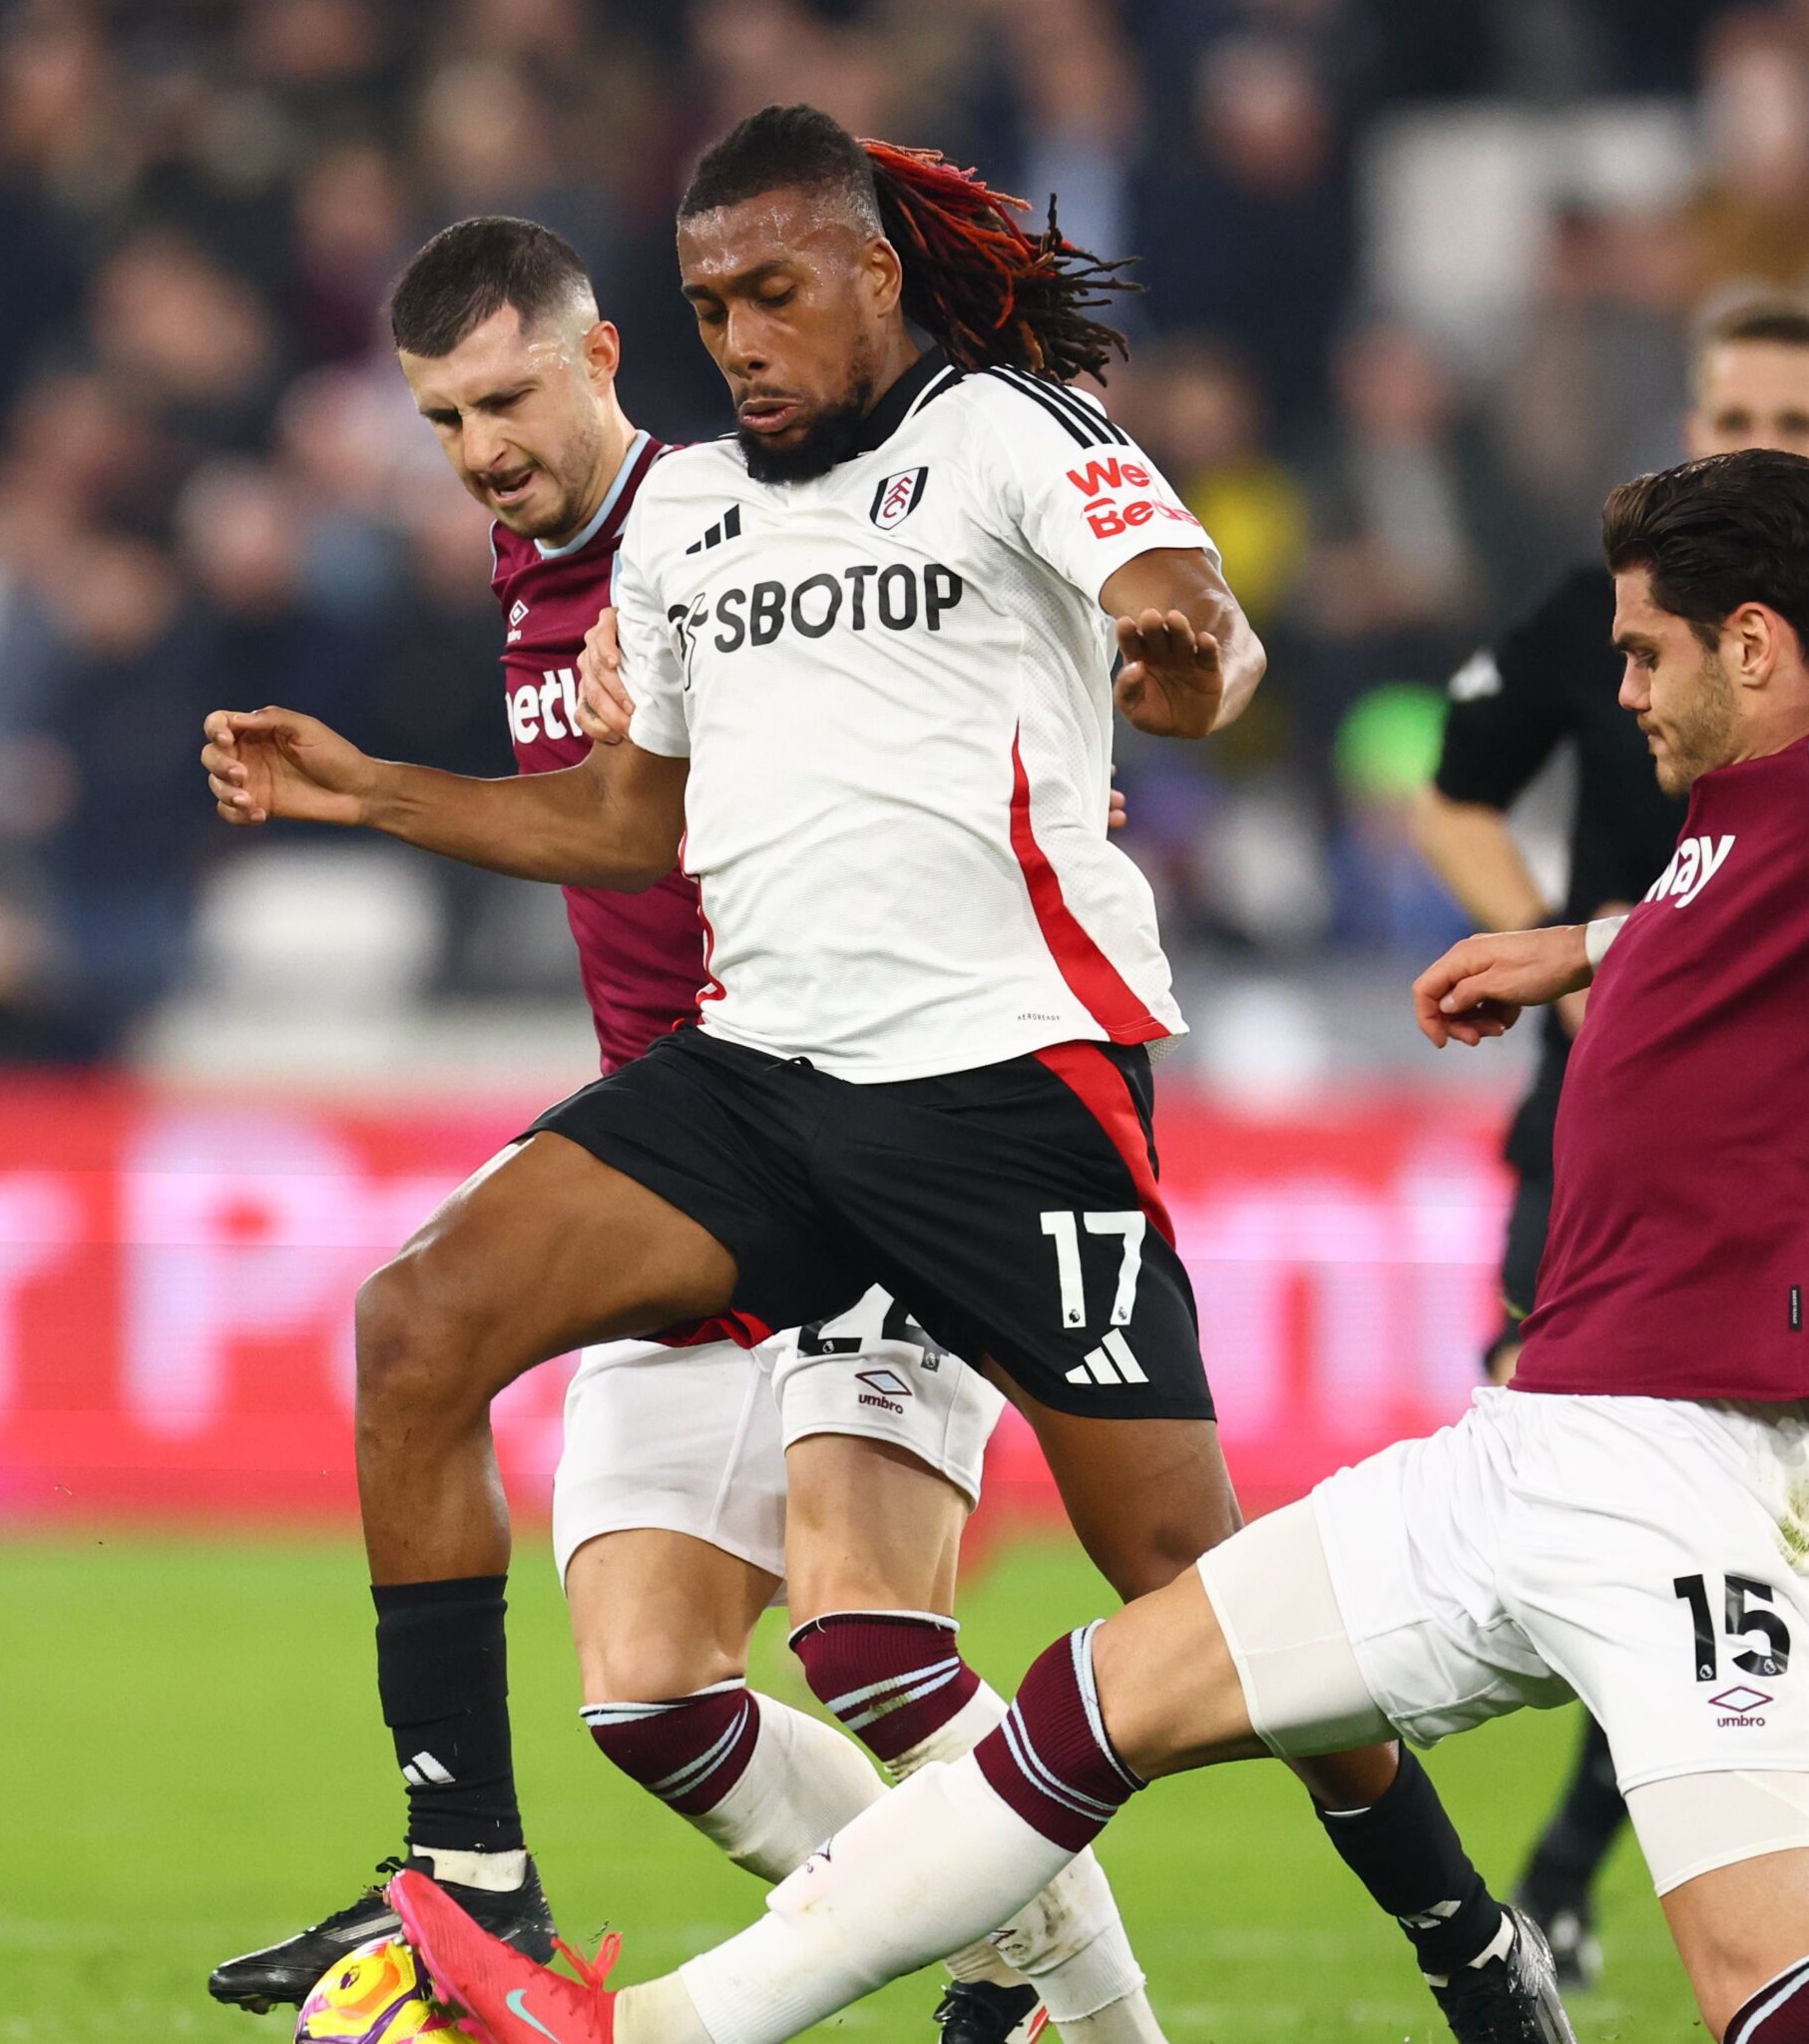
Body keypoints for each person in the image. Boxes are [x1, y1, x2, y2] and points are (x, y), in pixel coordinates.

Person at [202, 106, 1561, 2041]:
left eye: (772, 294)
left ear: (873, 272)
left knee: (1187, 1579)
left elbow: (1189, 612)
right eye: (712, 308)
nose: (741, 341)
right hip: (762, 1074)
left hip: (1006, 1085)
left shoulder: (1005, 430)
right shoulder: (688, 520)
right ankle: (473, 1884)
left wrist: (1185, 656)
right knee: (417, 1322)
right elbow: (631, 823)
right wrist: (372, 792)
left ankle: (1466, 1946)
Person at [388, 442, 1809, 2044]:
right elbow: (1716, 928)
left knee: (1757, 1987)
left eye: (1643, 655)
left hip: (1684, 1479)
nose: (1620, 692)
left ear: (1753, 646)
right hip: (1521, 1453)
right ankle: (638, 2032)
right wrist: (1583, 943)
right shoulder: (1730, 830)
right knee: (1089, 1705)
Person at [206, 213, 1160, 2044]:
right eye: (442, 419)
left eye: (507, 400)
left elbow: (934, 705)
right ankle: (1001, 1969)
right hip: (685, 1153)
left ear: (602, 359)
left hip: (863, 1117)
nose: (481, 449)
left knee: (876, 1644)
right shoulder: (531, 566)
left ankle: (1094, 2012)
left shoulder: (731, 525)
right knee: (649, 1696)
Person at [1414, 295, 1809, 1986]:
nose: (1756, 439)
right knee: (1608, 1494)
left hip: (1756, 1152)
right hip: (1597, 1121)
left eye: (1789, 419)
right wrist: (1574, 953)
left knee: (1642, 1503)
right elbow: (1447, 788)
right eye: (1731, 412)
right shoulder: (1612, 611)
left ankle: (1568, 1882)